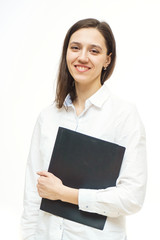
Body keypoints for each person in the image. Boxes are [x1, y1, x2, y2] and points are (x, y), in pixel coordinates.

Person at [21, 18, 147, 240]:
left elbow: (132, 198)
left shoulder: (123, 115)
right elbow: (33, 195)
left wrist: (65, 194)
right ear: (66, 53)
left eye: (94, 51)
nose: (82, 57)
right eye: (75, 47)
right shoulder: (48, 117)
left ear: (107, 59)